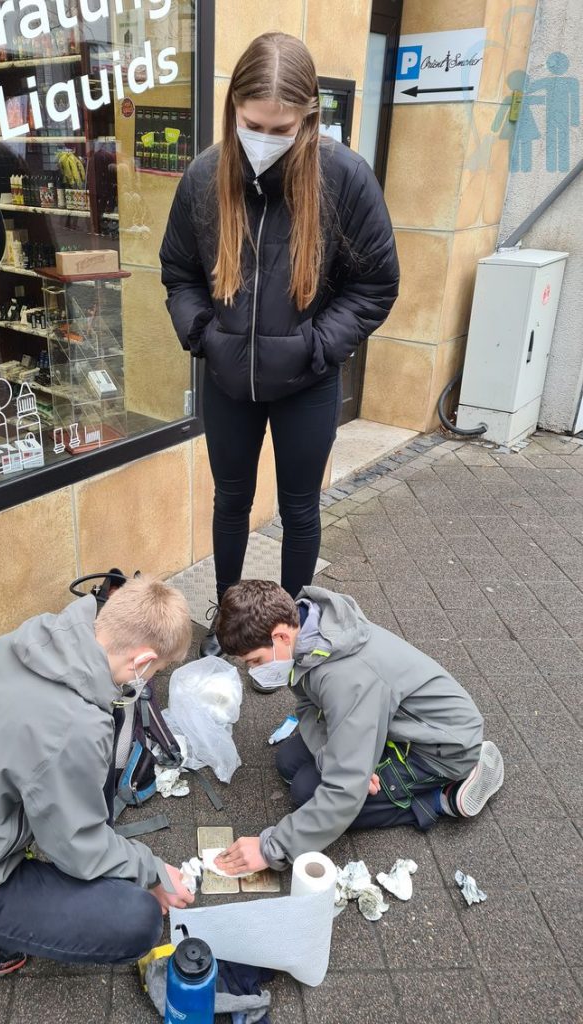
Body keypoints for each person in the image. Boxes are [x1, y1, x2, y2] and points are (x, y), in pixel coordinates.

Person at [160, 33, 399, 657]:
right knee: (231, 502)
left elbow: (375, 285)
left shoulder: (345, 178)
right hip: (228, 378)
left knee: (300, 510)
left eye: (281, 128)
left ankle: (290, 629)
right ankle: (228, 623)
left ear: (308, 118)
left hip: (308, 381)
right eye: (251, 124)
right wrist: (206, 337)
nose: (263, 138)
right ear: (233, 110)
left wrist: (317, 346)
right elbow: (179, 273)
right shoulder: (206, 176)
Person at [0, 577, 195, 978]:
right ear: (142, 660)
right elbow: (79, 848)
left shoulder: (38, 640)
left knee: (97, 759)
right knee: (138, 920)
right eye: (157, 670)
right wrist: (154, 871)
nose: (150, 679)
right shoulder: (73, 728)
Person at [211, 580, 504, 875]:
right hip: (392, 722)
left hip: (440, 749)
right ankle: (370, 764)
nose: (254, 670)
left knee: (307, 792)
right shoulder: (311, 631)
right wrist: (336, 757)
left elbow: (344, 792)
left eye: (255, 660)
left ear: (280, 636)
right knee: (288, 763)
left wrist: (271, 849)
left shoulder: (345, 678)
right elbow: (308, 706)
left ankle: (443, 798)